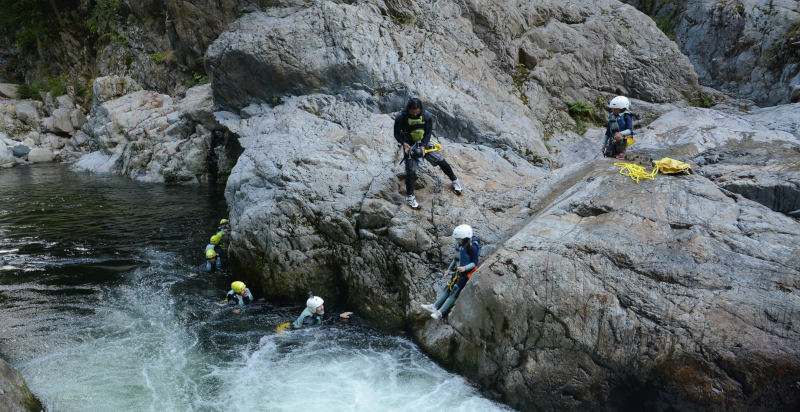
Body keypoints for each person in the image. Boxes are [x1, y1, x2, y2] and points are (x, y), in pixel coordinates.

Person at [394, 98, 462, 210]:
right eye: (412, 112)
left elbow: (428, 132)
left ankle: (455, 181)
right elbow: (396, 134)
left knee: (441, 160)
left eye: (417, 112)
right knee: (410, 172)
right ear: (408, 109)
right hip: (410, 146)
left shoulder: (426, 116)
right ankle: (410, 197)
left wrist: (424, 145)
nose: (415, 115)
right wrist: (404, 143)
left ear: (421, 108)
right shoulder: (401, 117)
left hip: (424, 143)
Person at [421, 224, 481, 319]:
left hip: (466, 274)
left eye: (458, 239)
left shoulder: (472, 247)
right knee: (447, 288)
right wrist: (449, 269)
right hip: (458, 272)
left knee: (455, 290)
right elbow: (456, 258)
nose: (457, 240)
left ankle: (440, 312)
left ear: (465, 238)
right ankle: (434, 306)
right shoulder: (459, 245)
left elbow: (475, 263)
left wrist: (465, 268)